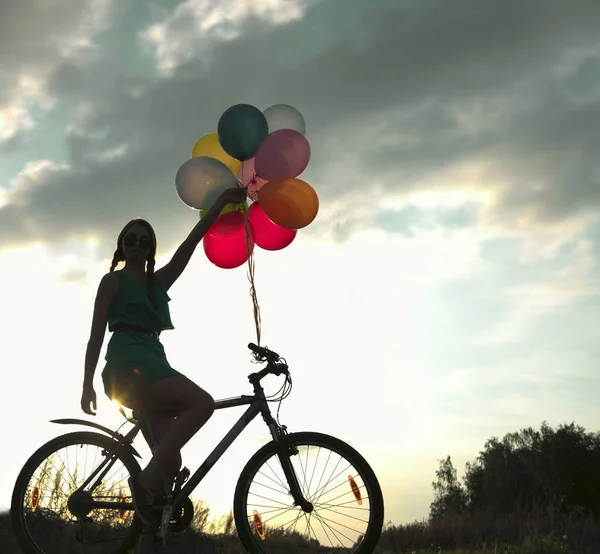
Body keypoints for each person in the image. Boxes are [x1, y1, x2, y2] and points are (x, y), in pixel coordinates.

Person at [80, 186, 247, 552]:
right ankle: (145, 479)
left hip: (154, 363)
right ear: (122, 245)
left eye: (144, 240)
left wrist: (218, 204)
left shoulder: (157, 284)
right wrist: (86, 384)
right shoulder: (113, 281)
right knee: (201, 404)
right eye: (131, 238)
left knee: (170, 468)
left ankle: (149, 516)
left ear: (151, 248)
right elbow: (95, 336)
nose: (137, 243)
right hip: (129, 365)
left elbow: (189, 247)